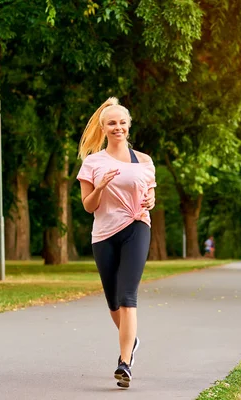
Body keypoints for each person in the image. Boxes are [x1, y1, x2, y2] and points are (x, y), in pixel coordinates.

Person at [77, 97, 156, 389]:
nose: (118, 127)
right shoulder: (93, 162)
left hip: (137, 226)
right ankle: (131, 340)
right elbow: (88, 206)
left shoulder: (144, 161)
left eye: (122, 122)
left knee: (127, 296)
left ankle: (125, 364)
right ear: (104, 127)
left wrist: (151, 199)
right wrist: (100, 187)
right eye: (112, 123)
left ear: (129, 125)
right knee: (113, 300)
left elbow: (150, 196)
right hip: (104, 234)